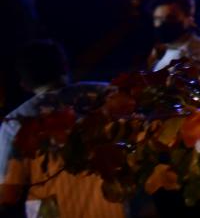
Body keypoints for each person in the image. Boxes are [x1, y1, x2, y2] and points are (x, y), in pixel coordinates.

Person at [0, 40, 124, 218]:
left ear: (24, 83)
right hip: (113, 208)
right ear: (65, 67)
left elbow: (8, 193)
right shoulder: (109, 96)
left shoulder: (14, 122)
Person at [147, 0, 200, 72]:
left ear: (189, 19)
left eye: (170, 18)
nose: (161, 24)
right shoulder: (161, 51)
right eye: (157, 19)